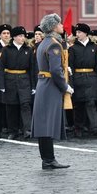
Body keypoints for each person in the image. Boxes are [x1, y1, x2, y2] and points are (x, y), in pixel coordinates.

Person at [31, 13, 73, 169]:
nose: (62, 26)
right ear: (54, 27)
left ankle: (47, 159)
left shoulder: (43, 43)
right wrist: (65, 86)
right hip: (50, 85)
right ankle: (49, 159)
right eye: (60, 24)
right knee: (47, 124)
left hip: (43, 84)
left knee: (43, 124)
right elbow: (55, 70)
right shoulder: (54, 45)